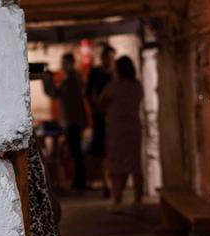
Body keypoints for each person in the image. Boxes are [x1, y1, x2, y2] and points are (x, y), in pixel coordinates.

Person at [99, 56, 144, 211]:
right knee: (135, 164)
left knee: (117, 165)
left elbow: (100, 102)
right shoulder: (137, 85)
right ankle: (139, 200)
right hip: (133, 128)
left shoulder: (113, 86)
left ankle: (117, 201)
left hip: (116, 129)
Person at [43, 53, 89, 190]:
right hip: (73, 121)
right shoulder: (72, 79)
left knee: (76, 153)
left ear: (70, 63)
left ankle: (80, 181)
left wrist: (47, 79)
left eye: (64, 63)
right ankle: (80, 181)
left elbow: (55, 94)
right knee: (76, 152)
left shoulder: (71, 80)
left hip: (72, 121)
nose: (62, 66)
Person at [86, 44, 116, 196]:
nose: (110, 61)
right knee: (102, 151)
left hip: (115, 117)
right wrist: (94, 107)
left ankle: (112, 182)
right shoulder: (96, 73)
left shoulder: (116, 74)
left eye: (112, 58)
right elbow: (88, 92)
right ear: (103, 58)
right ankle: (106, 183)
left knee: (114, 150)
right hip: (100, 117)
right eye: (108, 58)